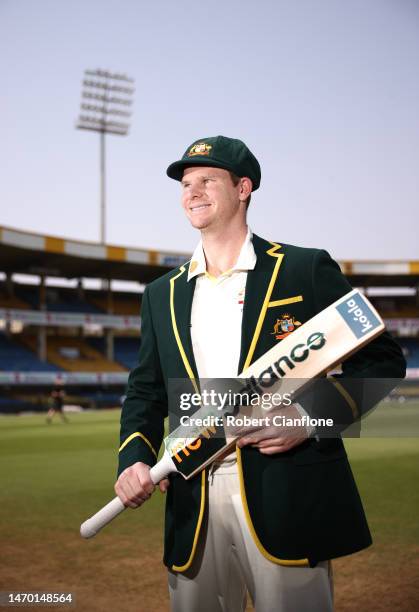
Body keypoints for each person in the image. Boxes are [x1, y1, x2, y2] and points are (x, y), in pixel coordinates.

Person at [115, 136, 406, 612]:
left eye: (207, 179)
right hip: (193, 499)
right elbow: (145, 391)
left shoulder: (302, 269)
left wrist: (306, 419)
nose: (192, 191)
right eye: (186, 183)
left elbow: (383, 359)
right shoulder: (161, 293)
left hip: (286, 490)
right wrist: (133, 460)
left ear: (243, 187)